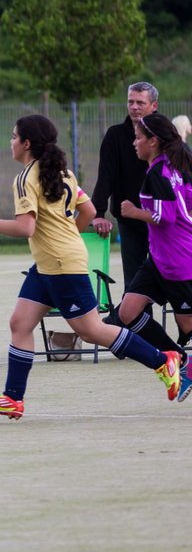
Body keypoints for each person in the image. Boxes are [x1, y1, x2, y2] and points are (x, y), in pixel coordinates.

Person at [0, 115, 183, 420]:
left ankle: (163, 360)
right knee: (20, 323)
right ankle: (12, 398)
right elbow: (89, 211)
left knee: (93, 330)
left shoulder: (25, 178)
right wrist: (68, 232)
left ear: (26, 143)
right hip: (50, 263)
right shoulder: (60, 171)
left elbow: (26, 228)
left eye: (13, 136)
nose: (11, 142)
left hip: (60, 264)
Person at [114, 113, 192, 401]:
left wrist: (134, 212)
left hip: (177, 261)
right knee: (127, 312)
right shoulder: (173, 166)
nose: (134, 143)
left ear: (153, 141)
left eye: (138, 138)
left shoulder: (159, 172)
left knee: (187, 324)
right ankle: (179, 360)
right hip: (158, 259)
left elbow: (167, 217)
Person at [91, 81, 160, 289]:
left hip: (161, 220)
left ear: (153, 106)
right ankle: (137, 319)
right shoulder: (115, 136)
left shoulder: (165, 135)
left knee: (173, 279)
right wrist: (98, 214)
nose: (134, 107)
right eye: (131, 102)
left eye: (140, 102)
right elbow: (105, 176)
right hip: (129, 219)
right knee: (135, 281)